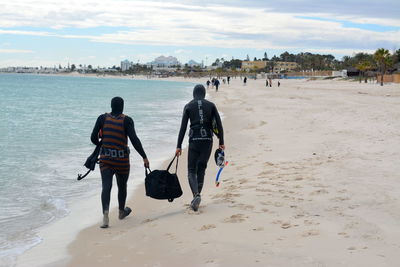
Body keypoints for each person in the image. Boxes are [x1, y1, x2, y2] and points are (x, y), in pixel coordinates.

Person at [91, 97, 149, 228]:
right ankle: (121, 212)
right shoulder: (127, 120)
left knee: (106, 186)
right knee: (122, 186)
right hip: (122, 160)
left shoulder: (102, 118)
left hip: (105, 159)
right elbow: (134, 140)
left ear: (111, 106)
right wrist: (144, 157)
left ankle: (105, 217)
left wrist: (101, 145)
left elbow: (93, 137)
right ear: (122, 107)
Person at [175, 85, 224, 211]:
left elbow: (183, 128)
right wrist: (221, 141)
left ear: (193, 94)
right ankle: (197, 197)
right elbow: (218, 124)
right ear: (204, 93)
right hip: (207, 140)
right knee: (201, 168)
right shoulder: (211, 105)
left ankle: (196, 195)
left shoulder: (188, 106)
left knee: (191, 170)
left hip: (194, 141)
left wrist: (178, 146)